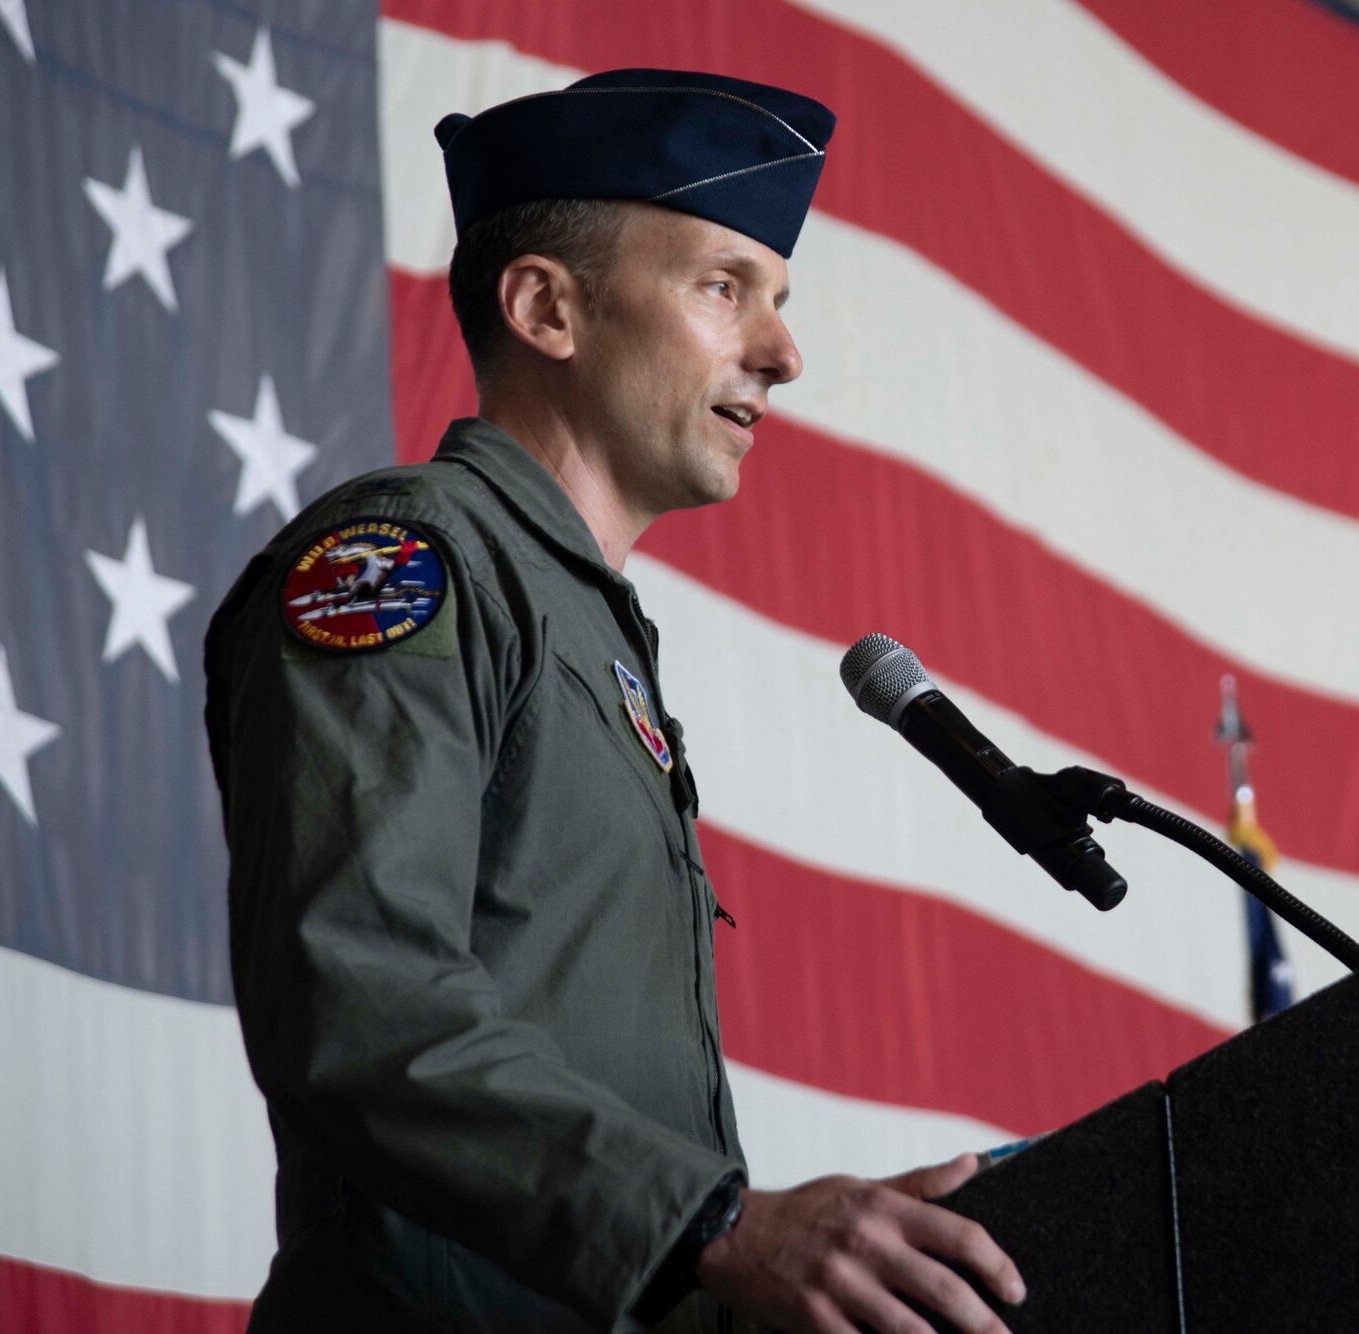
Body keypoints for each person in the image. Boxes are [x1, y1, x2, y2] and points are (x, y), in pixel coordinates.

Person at [204, 69, 1026, 1334]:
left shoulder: (588, 625)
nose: (783, 352)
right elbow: (357, 991)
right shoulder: (404, 560)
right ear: (546, 306)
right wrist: (714, 1224)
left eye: (781, 301)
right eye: (722, 286)